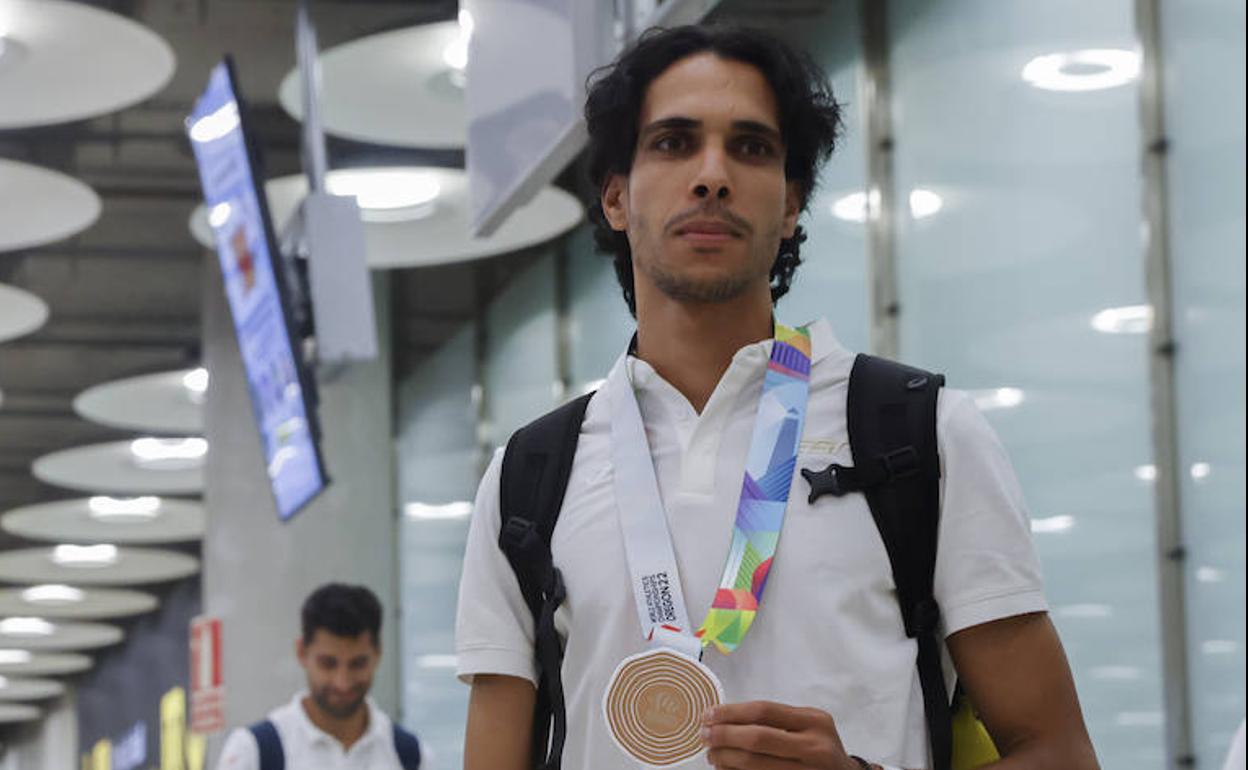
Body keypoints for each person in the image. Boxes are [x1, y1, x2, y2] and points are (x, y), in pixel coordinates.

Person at [455, 24, 1100, 770]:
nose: (712, 175)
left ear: (791, 204)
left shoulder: (922, 435)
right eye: (673, 142)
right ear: (615, 198)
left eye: (751, 147)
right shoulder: (528, 477)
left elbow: (1059, 751)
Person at [215, 583, 420, 770]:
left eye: (357, 664)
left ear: (378, 654)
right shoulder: (253, 752)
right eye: (328, 664)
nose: (343, 682)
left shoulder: (410, 756)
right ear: (301, 652)